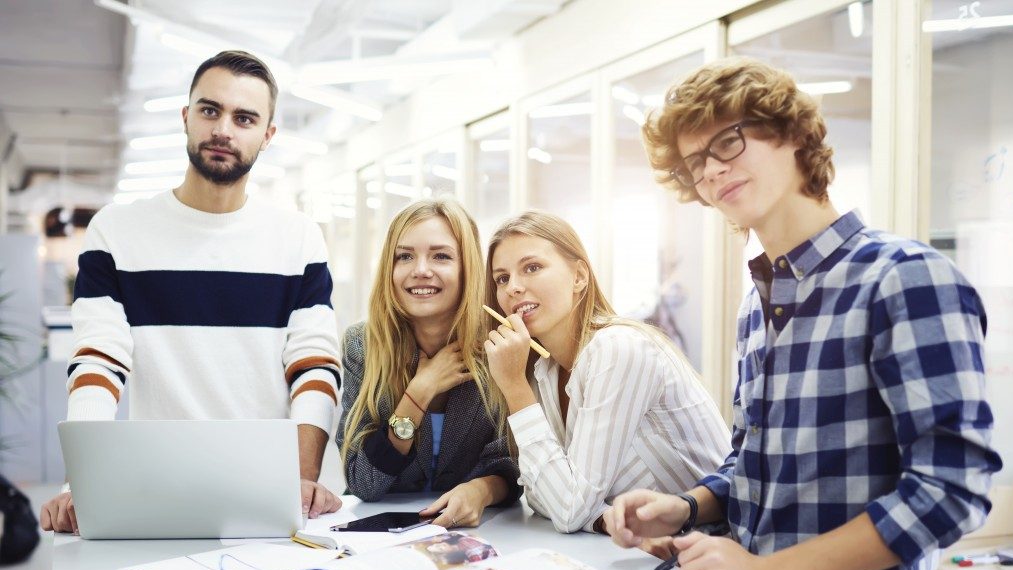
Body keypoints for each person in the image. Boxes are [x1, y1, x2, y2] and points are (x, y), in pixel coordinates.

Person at [605, 56, 1001, 570]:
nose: (711, 171)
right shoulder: (758, 308)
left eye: (728, 141)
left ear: (791, 133)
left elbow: (952, 491)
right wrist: (687, 507)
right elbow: (757, 466)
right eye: (695, 163)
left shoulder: (903, 279)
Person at [41, 50, 343, 534]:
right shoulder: (116, 231)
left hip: (265, 492)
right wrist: (82, 483)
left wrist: (302, 479)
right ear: (186, 117)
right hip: (153, 488)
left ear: (267, 136)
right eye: (210, 110)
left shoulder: (298, 237)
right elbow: (99, 362)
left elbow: (314, 367)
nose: (224, 129)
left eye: (244, 118)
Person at [483, 211, 729, 534]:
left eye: (532, 268)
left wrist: (514, 387)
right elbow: (540, 493)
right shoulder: (545, 369)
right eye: (502, 278)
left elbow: (567, 509)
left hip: (720, 548)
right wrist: (603, 519)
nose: (513, 288)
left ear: (579, 276)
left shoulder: (617, 348)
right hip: (651, 553)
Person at [338, 198, 521, 528]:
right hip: (380, 540)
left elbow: (510, 463)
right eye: (405, 256)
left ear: (468, 269)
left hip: (483, 539)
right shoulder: (362, 346)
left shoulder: (498, 345)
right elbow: (361, 482)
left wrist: (481, 490)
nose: (420, 270)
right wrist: (418, 393)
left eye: (441, 256)